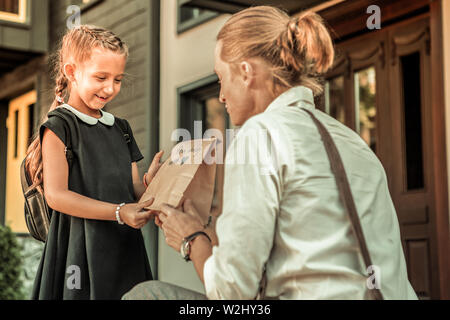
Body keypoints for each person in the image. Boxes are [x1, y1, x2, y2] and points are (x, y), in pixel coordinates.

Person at [123, 6, 417, 300]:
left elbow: (232, 293)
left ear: (246, 72)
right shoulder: (352, 141)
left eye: (221, 77)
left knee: (146, 295)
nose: (221, 95)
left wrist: (190, 239)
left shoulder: (260, 134)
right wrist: (203, 230)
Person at [26, 25, 163, 299]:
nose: (110, 88)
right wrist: (119, 212)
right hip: (77, 252)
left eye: (118, 79)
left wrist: (155, 183)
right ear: (72, 72)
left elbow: (135, 190)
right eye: (101, 77)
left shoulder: (121, 128)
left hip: (124, 248)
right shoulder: (59, 126)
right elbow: (56, 196)